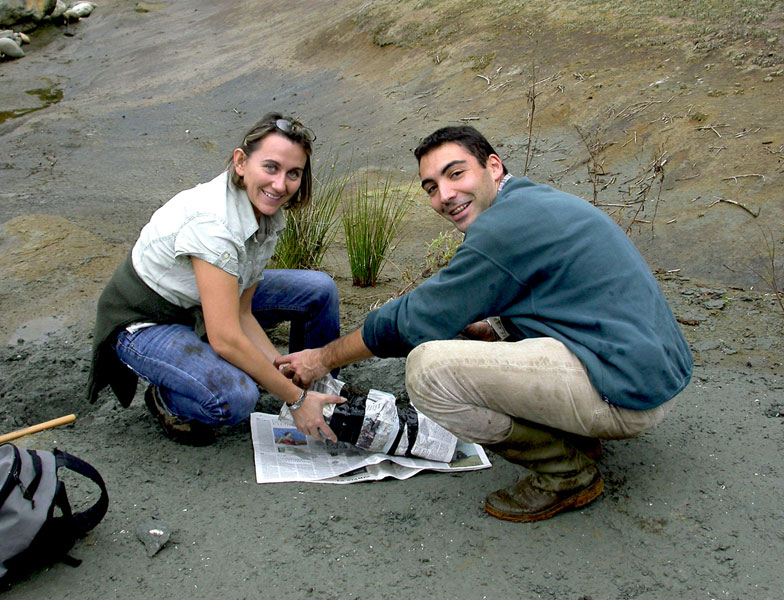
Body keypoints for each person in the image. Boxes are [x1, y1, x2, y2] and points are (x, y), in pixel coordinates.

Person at [275, 125, 693, 522]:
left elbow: (414, 318)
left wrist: (323, 358)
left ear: (493, 166)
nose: (445, 195)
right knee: (488, 338)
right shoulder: (533, 202)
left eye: (455, 174)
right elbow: (557, 295)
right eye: (432, 187)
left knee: (429, 371)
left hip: (626, 392)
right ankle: (578, 436)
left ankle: (566, 473)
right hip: (645, 370)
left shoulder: (503, 227)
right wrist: (495, 332)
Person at [87, 112, 344, 446]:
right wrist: (292, 398)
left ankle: (319, 394)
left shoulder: (264, 209)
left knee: (319, 290)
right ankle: (167, 399)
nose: (280, 185)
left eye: (293, 173)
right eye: (271, 167)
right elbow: (225, 336)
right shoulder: (214, 224)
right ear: (241, 162)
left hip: (205, 304)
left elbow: (241, 312)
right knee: (236, 396)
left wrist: (281, 372)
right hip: (147, 319)